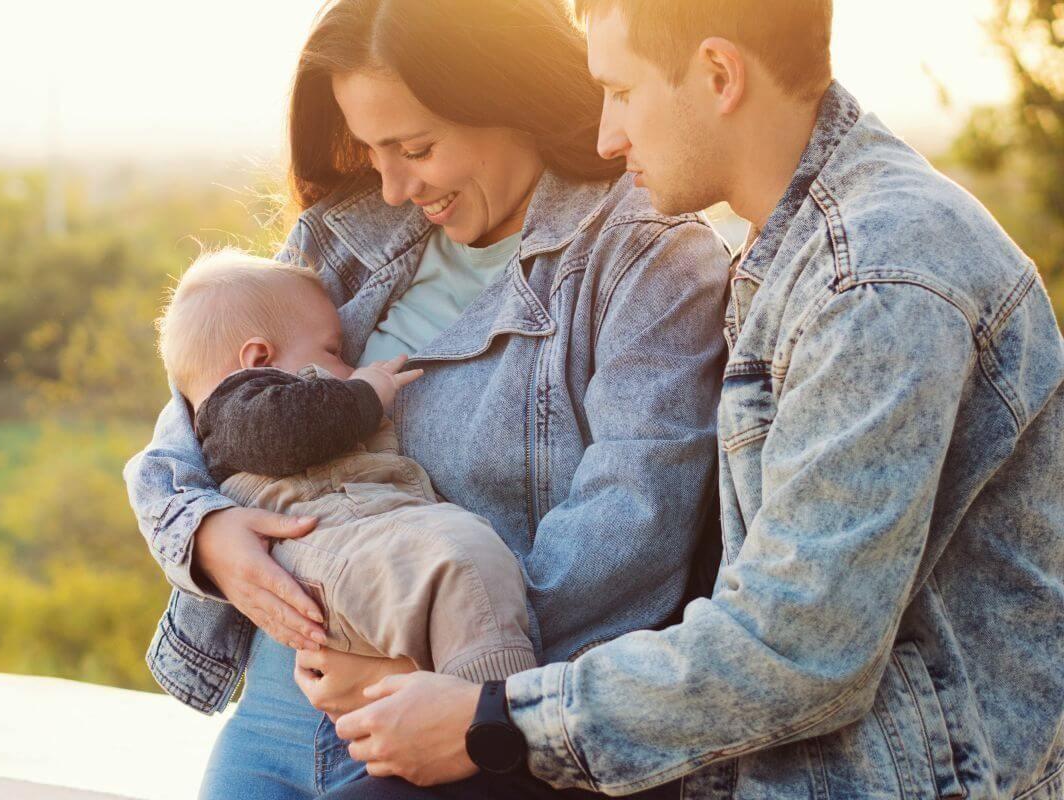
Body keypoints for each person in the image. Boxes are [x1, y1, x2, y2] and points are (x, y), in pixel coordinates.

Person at [319, 1, 1064, 798]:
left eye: (622, 92)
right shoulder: (796, 245)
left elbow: (800, 644)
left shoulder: (873, 281)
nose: (606, 136)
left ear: (718, 75)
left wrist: (493, 718)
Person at [122, 0, 730, 797]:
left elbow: (631, 534)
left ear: (512, 97)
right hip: (274, 707)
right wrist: (203, 534)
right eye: (372, 150)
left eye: (416, 147)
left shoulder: (647, 261)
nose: (394, 183)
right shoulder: (346, 236)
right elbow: (207, 393)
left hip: (441, 736)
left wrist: (433, 670)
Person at [155, 249, 539, 682]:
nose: (350, 366)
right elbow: (286, 432)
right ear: (259, 359)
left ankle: (467, 702)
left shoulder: (251, 405)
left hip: (348, 538)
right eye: (332, 351)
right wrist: (366, 392)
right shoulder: (235, 408)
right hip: (317, 543)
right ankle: (488, 713)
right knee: (460, 562)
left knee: (468, 561)